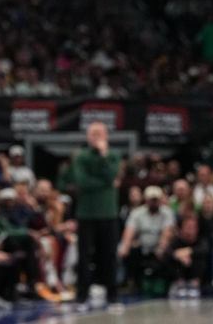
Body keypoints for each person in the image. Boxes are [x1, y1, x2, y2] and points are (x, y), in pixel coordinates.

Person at [72, 121, 122, 310]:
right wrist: (106, 182)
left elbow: (112, 174)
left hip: (108, 213)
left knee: (109, 256)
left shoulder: (113, 156)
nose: (96, 137)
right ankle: (81, 296)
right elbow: (82, 182)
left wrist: (103, 156)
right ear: (87, 137)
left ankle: (113, 296)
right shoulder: (81, 156)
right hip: (86, 214)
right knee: (84, 257)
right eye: (93, 134)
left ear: (106, 136)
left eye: (99, 134)